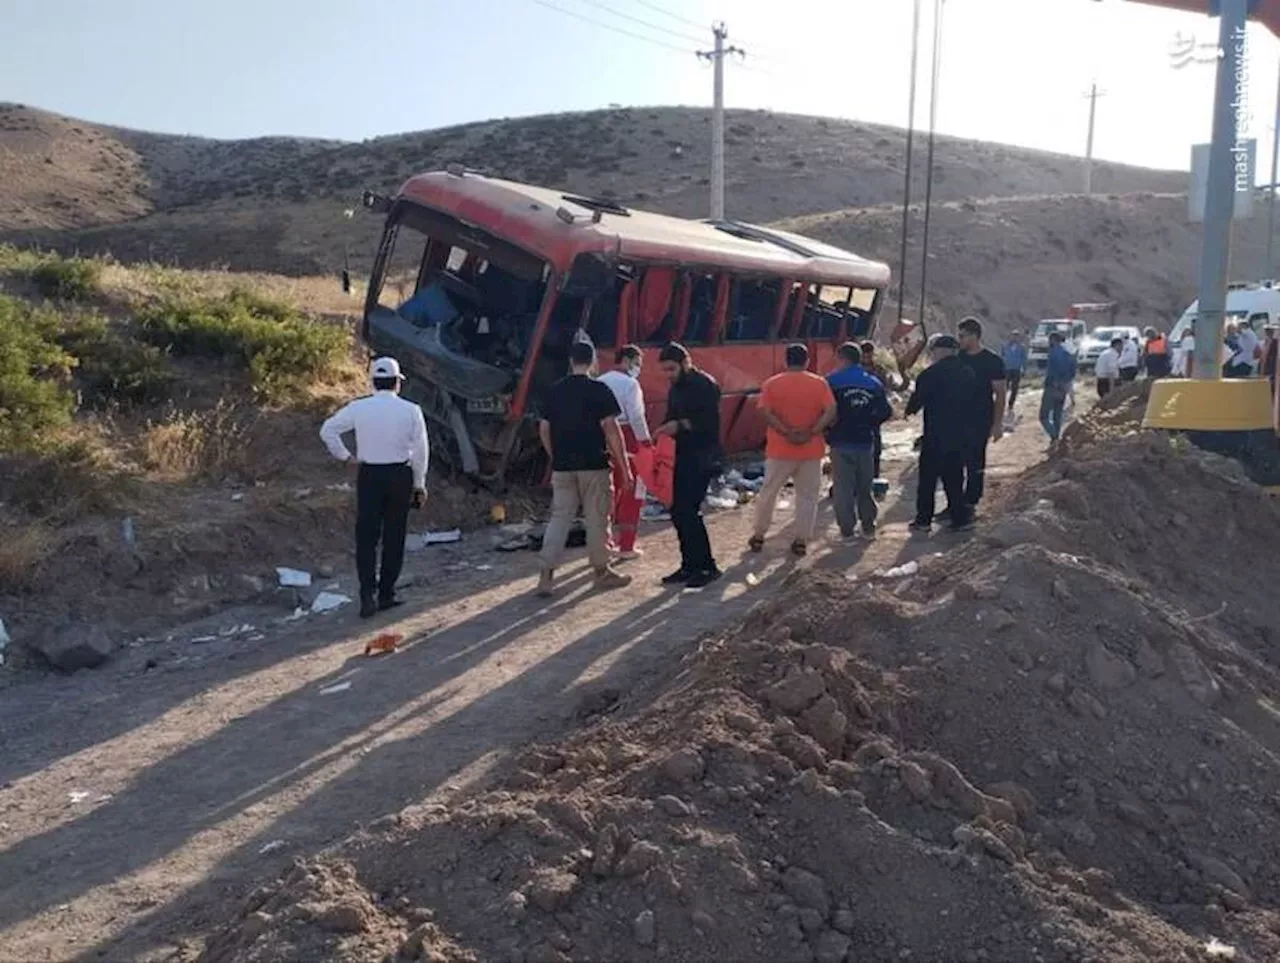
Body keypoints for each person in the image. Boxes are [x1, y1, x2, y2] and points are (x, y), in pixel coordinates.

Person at [320, 357, 430, 618]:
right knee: (394, 537)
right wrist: (419, 483)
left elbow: (328, 430)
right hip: (400, 475)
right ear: (397, 383)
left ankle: (366, 595)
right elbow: (421, 451)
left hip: (369, 475)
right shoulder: (411, 410)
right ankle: (386, 594)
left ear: (372, 381)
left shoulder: (358, 408)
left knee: (367, 537)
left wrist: (346, 457)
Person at [535, 340, 632, 597]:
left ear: (570, 361)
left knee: (559, 518)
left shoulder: (554, 391)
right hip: (594, 465)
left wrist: (554, 456)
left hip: (563, 468)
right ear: (592, 362)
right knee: (597, 519)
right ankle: (602, 572)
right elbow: (612, 430)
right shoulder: (599, 390)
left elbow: (544, 428)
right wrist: (624, 466)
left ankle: (546, 576)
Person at [751, 343, 837, 557]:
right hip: (811, 451)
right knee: (807, 496)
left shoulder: (772, 384)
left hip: (780, 450)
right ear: (807, 361)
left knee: (768, 493)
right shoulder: (819, 384)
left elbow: (764, 411)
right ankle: (801, 539)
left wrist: (786, 431)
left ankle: (759, 535)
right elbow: (831, 410)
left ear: (785, 360)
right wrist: (812, 431)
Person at [655, 342, 722, 588]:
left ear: (685, 363)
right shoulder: (676, 388)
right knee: (678, 512)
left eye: (672, 369)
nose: (669, 375)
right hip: (679, 456)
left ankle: (707, 566)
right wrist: (663, 432)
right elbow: (671, 416)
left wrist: (680, 426)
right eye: (666, 370)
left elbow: (709, 423)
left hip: (701, 456)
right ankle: (689, 565)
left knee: (689, 511)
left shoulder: (705, 385)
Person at [905, 335, 977, 533]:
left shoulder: (929, 374)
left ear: (939, 350)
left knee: (928, 480)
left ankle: (923, 520)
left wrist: (908, 408)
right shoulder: (968, 372)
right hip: (960, 435)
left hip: (935, 434)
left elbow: (915, 404)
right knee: (954, 478)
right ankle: (960, 519)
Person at [826, 341, 893, 539]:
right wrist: (870, 423)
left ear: (841, 358)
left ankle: (847, 531)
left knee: (843, 488)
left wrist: (827, 429)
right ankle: (868, 527)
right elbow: (886, 411)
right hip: (865, 441)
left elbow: (824, 410)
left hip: (840, 441)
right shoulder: (873, 383)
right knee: (865, 486)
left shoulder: (831, 381)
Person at [597, 344, 651, 561]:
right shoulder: (630, 385)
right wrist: (646, 445)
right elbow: (637, 417)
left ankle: (604, 543)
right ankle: (626, 545)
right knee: (633, 492)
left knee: (606, 494)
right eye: (637, 363)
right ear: (627, 361)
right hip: (628, 440)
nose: (638, 368)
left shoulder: (599, 382)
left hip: (600, 440)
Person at [953, 316, 1007, 518]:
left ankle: (971, 501)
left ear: (974, 336)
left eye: (963, 336)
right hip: (957, 419)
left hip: (980, 419)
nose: (960, 340)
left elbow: (1000, 393)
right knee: (954, 462)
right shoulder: (958, 358)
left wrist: (998, 423)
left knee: (975, 461)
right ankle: (956, 502)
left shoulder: (992, 361)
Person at [1040, 331, 1077, 444]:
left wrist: (1054, 381)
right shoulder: (1068, 354)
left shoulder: (1053, 353)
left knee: (1044, 416)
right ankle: (1055, 438)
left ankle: (1054, 436)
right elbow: (1073, 371)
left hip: (1052, 386)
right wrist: (1066, 382)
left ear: (1053, 340)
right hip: (1063, 388)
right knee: (1057, 414)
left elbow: (1052, 371)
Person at [860, 341, 889, 477]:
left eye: (869, 353)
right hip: (861, 413)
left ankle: (874, 477)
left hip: (873, 414)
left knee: (875, 448)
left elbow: (885, 390)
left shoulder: (878, 370)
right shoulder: (857, 369)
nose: (867, 356)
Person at [1000, 330, 1028, 413]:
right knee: (1004, 387)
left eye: (1016, 336)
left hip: (1016, 369)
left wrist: (1024, 369)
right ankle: (1002, 403)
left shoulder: (1021, 347)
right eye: (1013, 336)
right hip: (1007, 369)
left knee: (1014, 388)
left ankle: (1011, 404)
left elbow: (1024, 359)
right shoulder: (1005, 346)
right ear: (1011, 336)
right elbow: (1002, 356)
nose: (1015, 338)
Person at [1262, 323, 1278, 393]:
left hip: (1272, 368)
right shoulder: (1266, 341)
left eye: (1268, 331)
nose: (1267, 332)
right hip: (1267, 368)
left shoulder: (1275, 342)